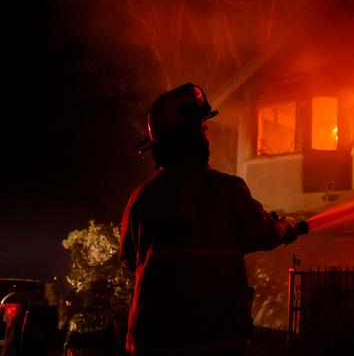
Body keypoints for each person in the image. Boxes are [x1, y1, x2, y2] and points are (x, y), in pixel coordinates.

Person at [119, 83, 300, 356]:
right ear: (190, 138)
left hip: (150, 342)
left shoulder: (141, 199)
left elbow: (130, 259)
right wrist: (286, 228)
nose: (209, 138)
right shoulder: (226, 190)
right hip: (214, 341)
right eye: (203, 130)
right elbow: (264, 234)